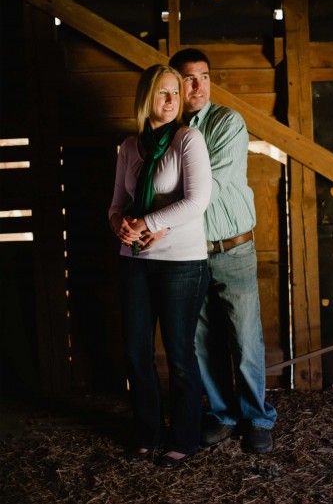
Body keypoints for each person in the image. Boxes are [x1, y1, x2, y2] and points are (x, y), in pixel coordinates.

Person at [168, 48, 277, 454]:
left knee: (246, 339)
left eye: (204, 77)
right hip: (190, 251)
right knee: (200, 339)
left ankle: (257, 417)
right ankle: (223, 413)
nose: (198, 86)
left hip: (232, 248)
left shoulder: (227, 123)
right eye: (189, 78)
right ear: (175, 83)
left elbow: (204, 187)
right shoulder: (169, 130)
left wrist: (160, 210)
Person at [108, 64, 212, 468]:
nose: (171, 100)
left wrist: (150, 222)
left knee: (180, 354)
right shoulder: (130, 146)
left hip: (181, 262)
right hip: (134, 260)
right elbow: (117, 203)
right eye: (163, 93)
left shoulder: (189, 139)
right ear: (146, 98)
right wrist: (120, 225)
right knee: (136, 353)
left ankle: (184, 438)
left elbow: (197, 200)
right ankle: (146, 433)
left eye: (175, 93)